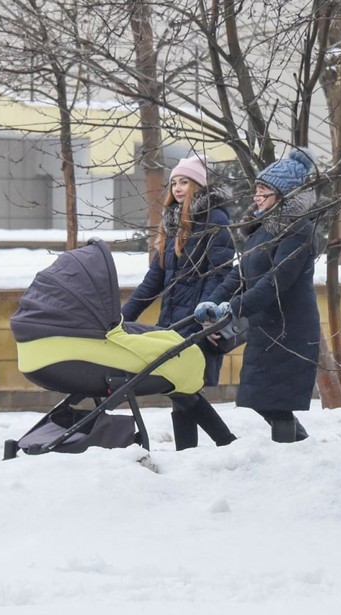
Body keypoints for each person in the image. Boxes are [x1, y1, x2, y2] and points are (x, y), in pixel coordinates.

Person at [195, 148, 320, 443]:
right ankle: (298, 448)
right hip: (267, 326)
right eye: (257, 189)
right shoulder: (263, 229)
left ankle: (291, 454)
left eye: (263, 190)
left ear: (282, 194)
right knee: (262, 399)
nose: (256, 196)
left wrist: (234, 308)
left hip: (291, 331)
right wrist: (212, 300)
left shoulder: (298, 231)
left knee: (276, 403)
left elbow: (275, 281)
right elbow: (242, 274)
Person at [121, 154, 237, 450]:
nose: (177, 188)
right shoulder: (173, 224)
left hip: (196, 321)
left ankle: (225, 443)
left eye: (184, 182)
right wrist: (122, 317)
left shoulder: (215, 221)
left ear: (198, 185)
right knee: (179, 387)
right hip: (172, 320)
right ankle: (194, 453)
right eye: (174, 183)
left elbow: (220, 275)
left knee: (181, 387)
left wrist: (207, 314)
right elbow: (154, 280)